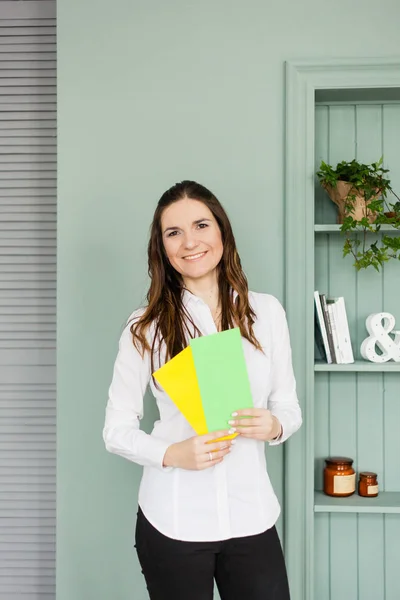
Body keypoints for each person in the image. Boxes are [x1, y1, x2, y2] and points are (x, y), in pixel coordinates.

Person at [103, 180, 302, 600]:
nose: (190, 242)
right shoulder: (145, 327)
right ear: (162, 248)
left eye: (201, 225)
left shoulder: (265, 313)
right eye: (173, 233)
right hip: (173, 519)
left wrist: (273, 426)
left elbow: (289, 409)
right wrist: (172, 454)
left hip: (252, 516)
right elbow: (115, 430)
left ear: (222, 233)